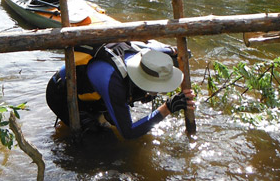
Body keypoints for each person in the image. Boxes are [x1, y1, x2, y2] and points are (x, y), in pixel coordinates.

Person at [46, 42, 195, 139]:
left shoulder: (149, 53)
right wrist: (167, 108)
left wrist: (178, 53)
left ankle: (99, 116)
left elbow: (174, 50)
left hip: (96, 92)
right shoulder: (113, 84)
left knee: (112, 119)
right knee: (103, 141)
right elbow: (128, 133)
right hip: (61, 94)